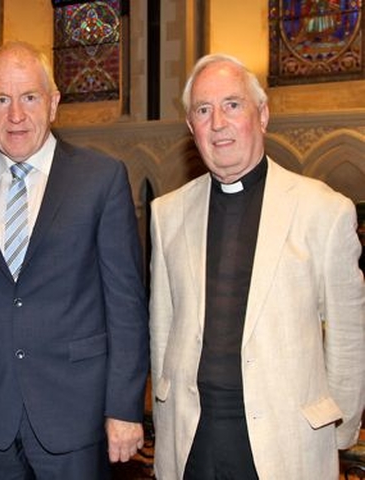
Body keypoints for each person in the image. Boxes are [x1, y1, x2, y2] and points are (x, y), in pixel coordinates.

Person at [0, 41, 149, 479]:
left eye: (29, 97)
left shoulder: (101, 180)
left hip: (76, 412)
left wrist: (124, 407)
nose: (16, 115)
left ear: (53, 104)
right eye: (2, 100)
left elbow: (125, 305)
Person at [149, 53, 365, 479]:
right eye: (203, 111)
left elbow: (348, 337)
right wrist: (164, 407)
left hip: (287, 440)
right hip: (192, 438)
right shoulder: (166, 213)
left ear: (261, 115)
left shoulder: (323, 210)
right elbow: (162, 327)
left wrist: (338, 430)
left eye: (232, 105)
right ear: (192, 128)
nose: (218, 123)